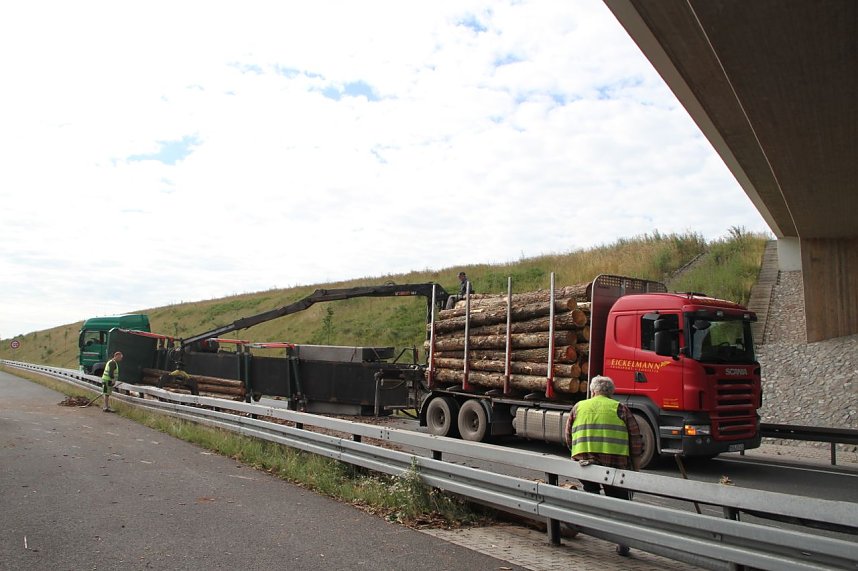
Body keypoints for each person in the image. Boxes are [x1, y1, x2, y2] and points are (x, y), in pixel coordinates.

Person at [564, 375, 643, 556]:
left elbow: (568, 438)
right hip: (614, 466)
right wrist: (635, 466)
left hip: (585, 465)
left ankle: (592, 506)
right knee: (619, 504)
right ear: (611, 393)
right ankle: (622, 543)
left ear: (592, 391)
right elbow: (635, 439)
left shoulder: (578, 407)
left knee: (591, 490)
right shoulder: (620, 408)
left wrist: (579, 453)